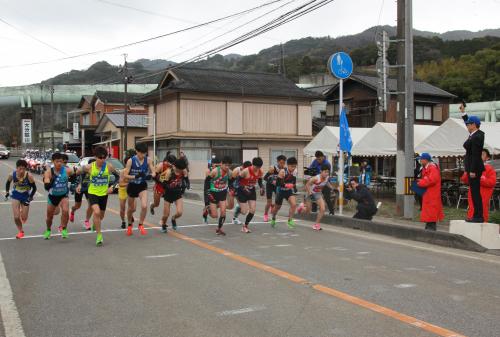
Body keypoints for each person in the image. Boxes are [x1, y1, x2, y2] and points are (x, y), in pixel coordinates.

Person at [78, 146, 120, 245]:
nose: (102, 160)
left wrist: (113, 187)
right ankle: (99, 236)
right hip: (92, 193)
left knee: (101, 216)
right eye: (100, 157)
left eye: (104, 157)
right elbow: (79, 173)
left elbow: (119, 177)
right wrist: (79, 184)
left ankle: (95, 224)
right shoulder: (89, 167)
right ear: (95, 157)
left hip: (104, 194)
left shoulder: (109, 166)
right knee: (96, 212)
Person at [123, 143, 156, 236]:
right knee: (131, 208)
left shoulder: (148, 160)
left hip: (142, 185)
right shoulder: (130, 161)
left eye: (144, 153)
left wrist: (150, 175)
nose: (142, 155)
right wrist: (135, 176)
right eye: (141, 153)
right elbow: (125, 175)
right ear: (136, 151)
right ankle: (129, 224)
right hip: (132, 186)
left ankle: (141, 224)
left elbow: (154, 172)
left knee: (144, 206)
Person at [460, 103, 485, 222]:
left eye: (468, 124)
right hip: (471, 167)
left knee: (475, 193)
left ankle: (478, 216)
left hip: (474, 169)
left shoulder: (477, 137)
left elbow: (476, 154)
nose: (467, 125)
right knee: (474, 192)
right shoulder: (473, 134)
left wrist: (473, 170)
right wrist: (463, 113)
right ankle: (477, 215)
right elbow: (468, 123)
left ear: (473, 125)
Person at [43, 152, 77, 239]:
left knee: (65, 211)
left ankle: (64, 228)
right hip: (53, 196)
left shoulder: (67, 170)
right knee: (49, 217)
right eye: (57, 161)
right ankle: (48, 230)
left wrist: (75, 184)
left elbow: (75, 176)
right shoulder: (49, 172)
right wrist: (51, 181)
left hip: (63, 195)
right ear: (53, 162)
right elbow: (46, 187)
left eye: (61, 161)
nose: (59, 163)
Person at [461, 148, 497, 223]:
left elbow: (492, 182)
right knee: (472, 208)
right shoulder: (472, 167)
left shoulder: (489, 169)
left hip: (483, 195)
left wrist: (481, 179)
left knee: (482, 211)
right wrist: (467, 171)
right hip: (472, 193)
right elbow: (465, 180)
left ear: (487, 158)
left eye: (482, 154)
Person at [5, 159, 37, 239]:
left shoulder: (29, 176)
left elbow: (34, 188)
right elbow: (8, 183)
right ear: (16, 168)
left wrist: (30, 197)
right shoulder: (12, 175)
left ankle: (22, 212)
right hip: (16, 195)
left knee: (24, 218)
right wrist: (7, 192)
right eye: (20, 168)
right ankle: (20, 231)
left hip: (26, 196)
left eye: (23, 168)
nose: (22, 171)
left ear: (26, 168)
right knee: (16, 217)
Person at [297, 164, 333, 231]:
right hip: (310, 193)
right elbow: (307, 185)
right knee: (308, 211)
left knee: (322, 208)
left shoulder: (327, 177)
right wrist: (310, 193)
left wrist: (332, 187)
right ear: (321, 171)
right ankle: (302, 207)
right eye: (325, 172)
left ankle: (316, 224)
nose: (326, 174)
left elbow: (326, 182)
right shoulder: (316, 178)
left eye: (328, 172)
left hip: (318, 194)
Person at [234, 157, 265, 233]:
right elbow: (236, 182)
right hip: (242, 191)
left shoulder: (260, 171)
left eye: (259, 167)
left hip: (251, 190)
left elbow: (260, 180)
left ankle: (245, 226)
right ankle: (238, 209)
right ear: (252, 165)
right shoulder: (245, 171)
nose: (257, 169)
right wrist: (243, 187)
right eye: (256, 167)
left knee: (253, 209)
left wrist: (261, 187)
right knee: (244, 212)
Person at [416, 153, 444, 231]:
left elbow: (432, 180)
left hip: (432, 194)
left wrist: (420, 183)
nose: (420, 161)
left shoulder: (432, 168)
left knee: (431, 211)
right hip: (429, 193)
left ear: (425, 160)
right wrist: (421, 181)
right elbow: (428, 179)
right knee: (429, 211)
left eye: (421, 159)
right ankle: (429, 226)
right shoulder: (427, 168)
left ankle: (431, 228)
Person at [160, 158, 188, 233]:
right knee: (166, 215)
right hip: (168, 194)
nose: (180, 171)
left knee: (179, 212)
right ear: (175, 166)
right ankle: (163, 224)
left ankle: (173, 218)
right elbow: (161, 181)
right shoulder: (169, 172)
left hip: (177, 193)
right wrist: (167, 186)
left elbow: (186, 178)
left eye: (181, 169)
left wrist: (186, 184)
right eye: (179, 169)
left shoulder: (183, 170)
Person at [270, 157, 298, 229]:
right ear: (288, 165)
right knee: (277, 208)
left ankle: (289, 220)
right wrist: (286, 185)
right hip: (280, 191)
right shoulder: (282, 171)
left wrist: (294, 187)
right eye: (292, 166)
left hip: (288, 191)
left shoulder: (295, 171)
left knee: (294, 204)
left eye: (295, 166)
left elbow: (294, 181)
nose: (293, 168)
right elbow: (278, 183)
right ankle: (273, 217)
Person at [207, 156, 232, 235]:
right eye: (226, 165)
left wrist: (231, 189)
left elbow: (231, 182)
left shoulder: (229, 172)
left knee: (223, 212)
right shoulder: (214, 171)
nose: (227, 167)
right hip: (213, 193)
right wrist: (208, 193)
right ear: (221, 164)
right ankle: (208, 210)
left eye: (229, 165)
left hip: (222, 193)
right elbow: (206, 182)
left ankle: (219, 228)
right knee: (214, 215)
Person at [70, 158, 95, 230]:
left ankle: (87, 221)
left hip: (89, 189)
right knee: (77, 206)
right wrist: (79, 185)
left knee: (91, 205)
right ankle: (72, 211)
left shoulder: (96, 171)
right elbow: (79, 177)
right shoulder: (84, 169)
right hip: (80, 188)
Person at [308, 151, 334, 215]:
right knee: (314, 195)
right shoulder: (315, 161)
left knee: (327, 197)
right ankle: (314, 211)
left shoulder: (327, 163)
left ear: (323, 157)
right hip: (316, 182)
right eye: (317, 159)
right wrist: (310, 171)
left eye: (319, 159)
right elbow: (310, 168)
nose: (318, 160)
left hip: (325, 182)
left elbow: (326, 174)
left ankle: (331, 212)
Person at [263, 155, 286, 222]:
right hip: (269, 185)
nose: (282, 164)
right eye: (281, 163)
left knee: (277, 203)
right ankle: (265, 214)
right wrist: (271, 181)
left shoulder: (284, 169)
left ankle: (273, 215)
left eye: (284, 163)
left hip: (277, 186)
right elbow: (265, 178)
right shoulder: (272, 168)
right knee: (269, 202)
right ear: (277, 162)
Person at [231, 161, 252, 225]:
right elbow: (231, 181)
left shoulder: (249, 171)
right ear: (243, 167)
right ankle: (234, 218)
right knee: (234, 205)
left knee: (243, 207)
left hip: (244, 189)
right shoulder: (236, 170)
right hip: (236, 189)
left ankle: (235, 218)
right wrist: (233, 190)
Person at [202, 156, 220, 224]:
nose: (217, 166)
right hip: (208, 189)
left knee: (217, 204)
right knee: (207, 205)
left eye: (218, 164)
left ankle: (210, 209)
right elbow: (208, 180)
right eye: (216, 164)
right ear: (212, 164)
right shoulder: (208, 170)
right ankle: (205, 216)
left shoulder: (219, 170)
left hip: (216, 189)